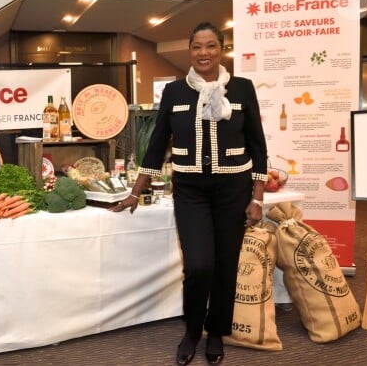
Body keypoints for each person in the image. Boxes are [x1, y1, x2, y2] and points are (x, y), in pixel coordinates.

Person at [110, 21, 268, 365]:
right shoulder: (175, 92)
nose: (204, 53)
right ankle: (192, 330)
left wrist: (257, 198)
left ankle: (215, 333)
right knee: (198, 265)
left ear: (222, 49)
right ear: (189, 50)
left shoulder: (242, 89)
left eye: (211, 46)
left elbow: (258, 145)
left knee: (226, 266)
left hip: (233, 190)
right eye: (197, 47)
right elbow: (155, 147)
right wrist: (136, 192)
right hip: (191, 191)